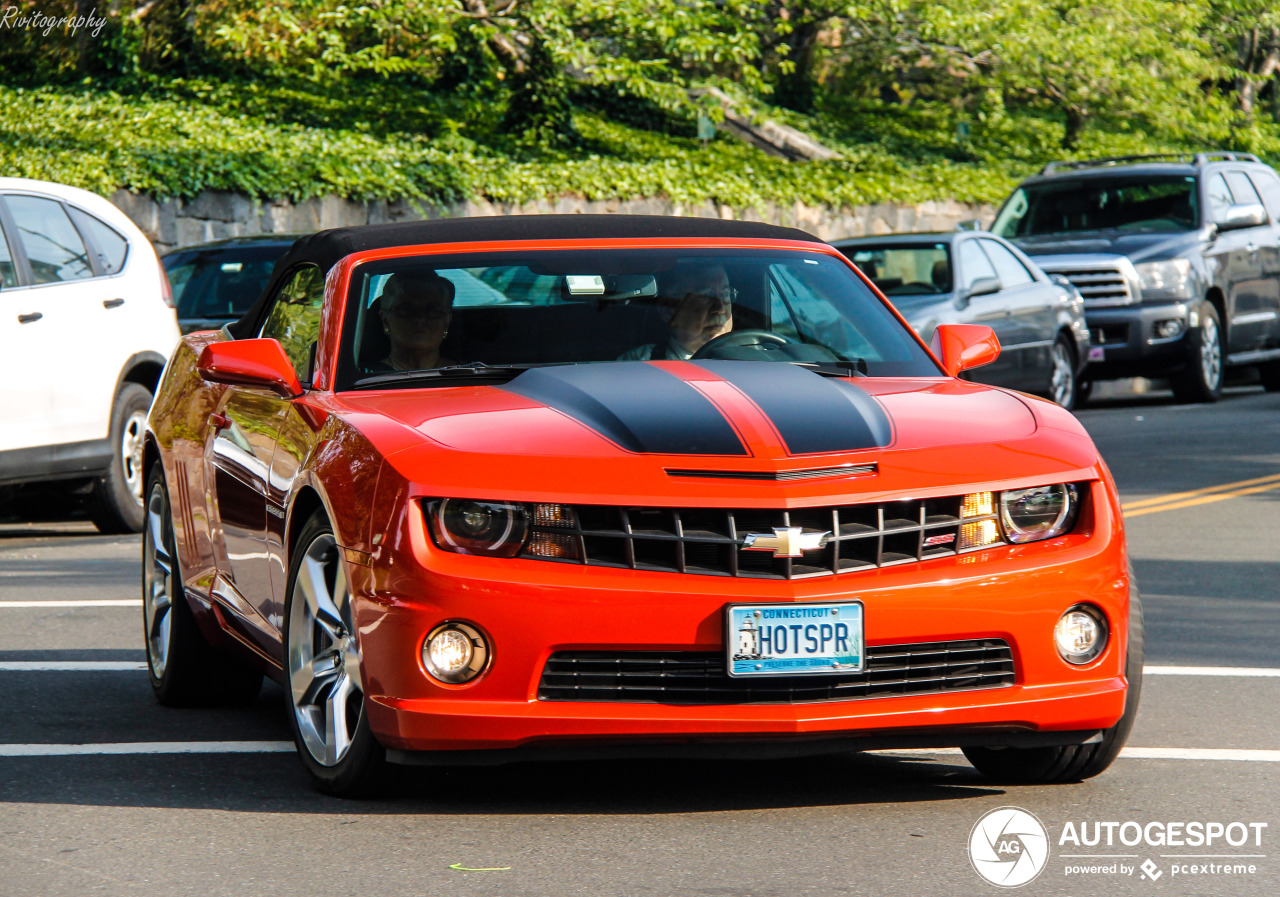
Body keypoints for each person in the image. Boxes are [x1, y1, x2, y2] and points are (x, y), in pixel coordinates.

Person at [619, 263, 734, 360]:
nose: (720, 309)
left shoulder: (750, 359)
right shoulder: (639, 365)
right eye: (705, 295)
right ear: (668, 310)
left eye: (725, 294)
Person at [372, 270, 456, 371]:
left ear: (446, 322)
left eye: (432, 311)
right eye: (406, 310)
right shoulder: (366, 379)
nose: (419, 319)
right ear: (386, 320)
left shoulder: (467, 377)